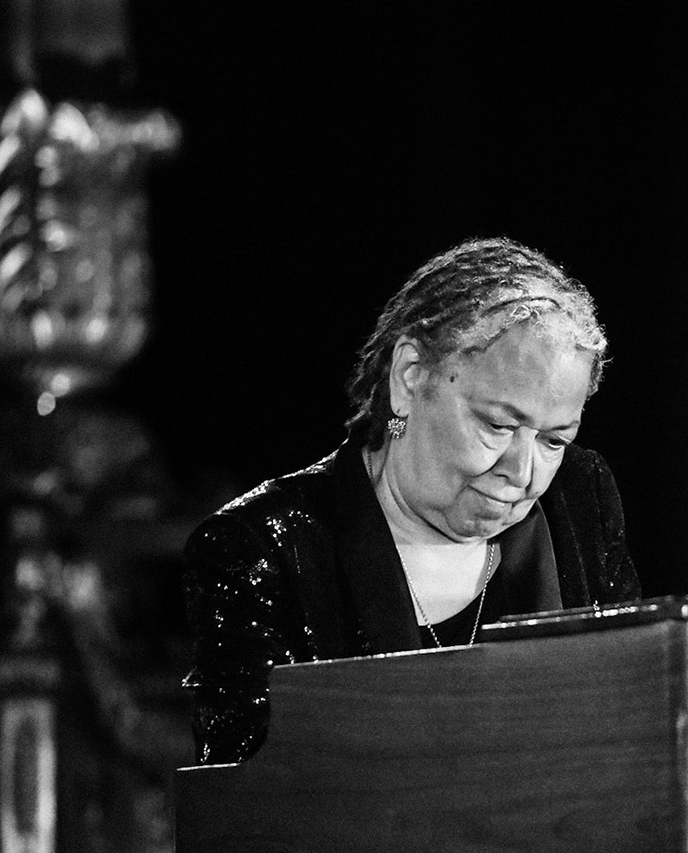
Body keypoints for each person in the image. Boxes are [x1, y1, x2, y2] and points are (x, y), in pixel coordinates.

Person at [181, 238, 640, 765]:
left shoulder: (581, 499)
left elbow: (630, 735)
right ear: (409, 377)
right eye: (497, 425)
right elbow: (251, 812)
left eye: (554, 440)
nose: (522, 471)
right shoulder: (261, 548)